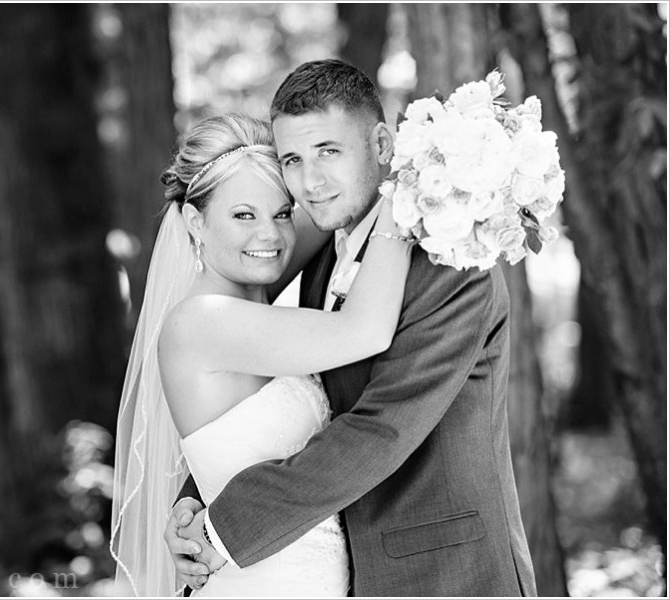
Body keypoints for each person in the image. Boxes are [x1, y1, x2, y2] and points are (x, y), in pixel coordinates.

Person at [165, 59, 538, 597]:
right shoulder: (318, 259)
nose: (310, 182)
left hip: (444, 575)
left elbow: (379, 428)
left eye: (329, 152)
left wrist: (219, 528)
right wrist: (197, 493)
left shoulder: (451, 264)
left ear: (383, 145)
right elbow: (257, 403)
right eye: (292, 159)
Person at [110, 111, 413, 596]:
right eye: (243, 215)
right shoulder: (201, 322)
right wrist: (413, 193)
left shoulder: (250, 286)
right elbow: (366, 331)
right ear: (195, 221)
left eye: (280, 213)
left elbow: (334, 205)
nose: (269, 236)